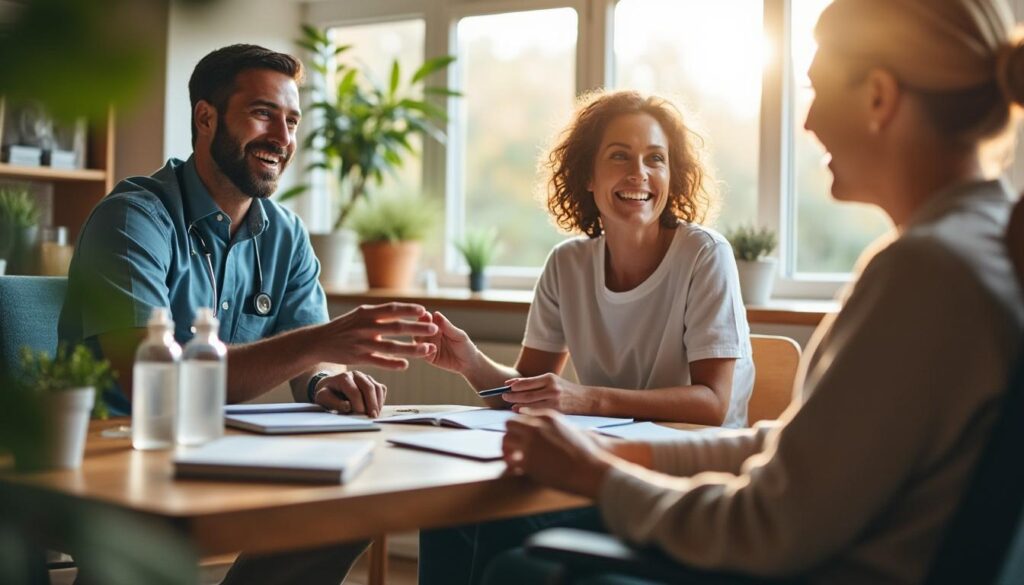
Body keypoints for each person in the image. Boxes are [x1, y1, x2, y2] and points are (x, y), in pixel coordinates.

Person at [488, 1, 1024, 584]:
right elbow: (804, 450)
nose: (808, 121)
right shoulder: (982, 243)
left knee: (516, 566)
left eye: (815, 89)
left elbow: (764, 527)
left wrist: (596, 478)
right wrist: (622, 455)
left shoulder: (925, 273)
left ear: (878, 97)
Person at [58, 44, 437, 585]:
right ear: (205, 118)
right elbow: (149, 382)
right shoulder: (132, 218)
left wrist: (326, 381)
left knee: (347, 508)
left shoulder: (286, 234)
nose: (282, 138)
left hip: (219, 451)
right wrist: (319, 343)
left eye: (292, 121)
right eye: (263, 113)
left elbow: (309, 355)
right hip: (117, 461)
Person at [416, 90, 754, 584]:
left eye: (655, 159)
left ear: (672, 174)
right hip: (600, 463)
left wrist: (586, 399)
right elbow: (530, 391)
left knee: (503, 523)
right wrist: (470, 361)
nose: (639, 173)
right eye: (620, 156)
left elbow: (713, 405)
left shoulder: (705, 255)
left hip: (683, 480)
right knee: (445, 513)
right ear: (587, 176)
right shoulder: (567, 264)